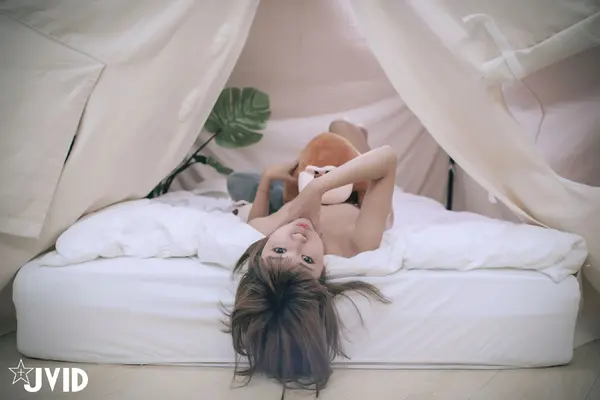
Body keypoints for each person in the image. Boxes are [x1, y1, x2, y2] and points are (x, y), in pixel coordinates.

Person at [225, 120, 396, 395]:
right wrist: (318, 189)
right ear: (322, 274)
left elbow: (255, 223)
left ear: (259, 254)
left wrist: (267, 180)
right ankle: (360, 143)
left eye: (279, 252)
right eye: (307, 261)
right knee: (340, 127)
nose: (298, 240)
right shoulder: (356, 243)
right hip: (357, 193)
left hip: (308, 189)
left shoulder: (273, 229)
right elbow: (387, 159)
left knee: (249, 183)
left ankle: (273, 188)